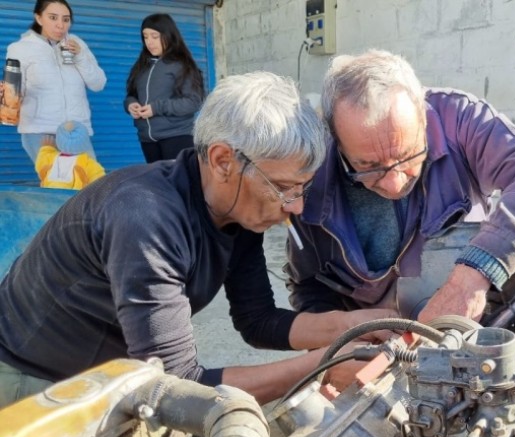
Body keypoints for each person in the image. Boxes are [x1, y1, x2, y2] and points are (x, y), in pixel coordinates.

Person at [0, 71, 395, 409]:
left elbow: (257, 321)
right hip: (31, 376)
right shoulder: (145, 219)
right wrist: (322, 365)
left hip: (114, 369)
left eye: (304, 188)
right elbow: (176, 387)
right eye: (286, 188)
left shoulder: (234, 209)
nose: (297, 206)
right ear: (224, 160)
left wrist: (353, 325)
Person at [286, 49, 515, 323]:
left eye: (406, 156)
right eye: (367, 167)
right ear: (336, 142)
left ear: (422, 114)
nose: (394, 183)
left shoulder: (457, 121)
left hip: (468, 329)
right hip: (373, 349)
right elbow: (309, 287)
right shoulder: (311, 171)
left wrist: (472, 276)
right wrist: (337, 345)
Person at [1, 0, 106, 162]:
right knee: (55, 182)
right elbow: (13, 93)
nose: (60, 25)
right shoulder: (20, 49)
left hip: (76, 130)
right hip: (40, 130)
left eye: (65, 19)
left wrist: (80, 57)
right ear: (39, 18)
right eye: (53, 18)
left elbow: (98, 84)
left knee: (90, 181)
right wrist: (9, 96)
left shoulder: (77, 44)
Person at [124, 13, 204, 163]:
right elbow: (131, 94)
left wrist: (156, 108)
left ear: (168, 35)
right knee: (158, 184)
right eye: (145, 37)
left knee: (179, 184)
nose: (149, 42)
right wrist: (131, 104)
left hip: (176, 137)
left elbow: (193, 101)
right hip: (147, 140)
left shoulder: (181, 65)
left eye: (155, 36)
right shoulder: (142, 66)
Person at [35, 120, 105, 190]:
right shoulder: (88, 164)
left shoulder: (49, 159)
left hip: (51, 198)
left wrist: (46, 148)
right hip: (77, 199)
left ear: (58, 142)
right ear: (85, 143)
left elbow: (40, 165)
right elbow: (100, 184)